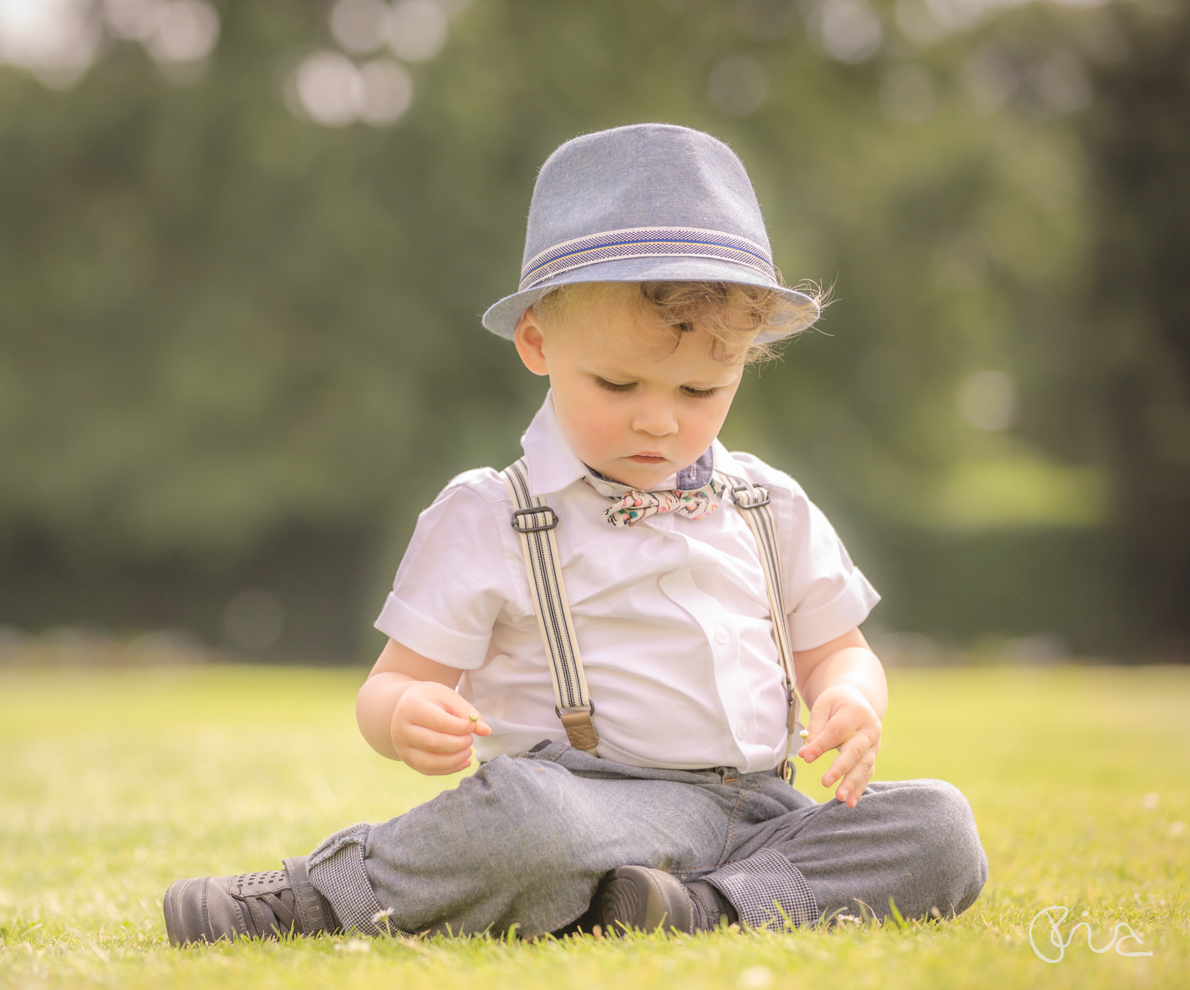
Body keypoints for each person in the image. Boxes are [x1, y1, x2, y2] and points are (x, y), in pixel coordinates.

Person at [162, 123, 988, 944]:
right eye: (618, 382)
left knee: (939, 831)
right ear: (537, 343)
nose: (659, 419)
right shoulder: (492, 516)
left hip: (766, 816)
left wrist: (850, 697)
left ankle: (697, 907)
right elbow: (387, 688)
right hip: (593, 809)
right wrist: (406, 712)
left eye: (701, 388)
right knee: (525, 824)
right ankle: (316, 895)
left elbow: (836, 651)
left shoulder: (768, 504)